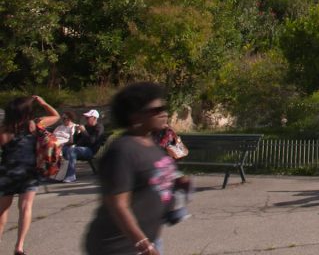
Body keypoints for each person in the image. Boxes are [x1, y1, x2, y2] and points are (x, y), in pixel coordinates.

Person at [84, 83, 186, 254]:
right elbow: (117, 205)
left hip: (148, 240)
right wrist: (143, 244)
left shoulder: (150, 145)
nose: (164, 113)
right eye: (156, 109)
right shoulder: (122, 151)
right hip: (118, 248)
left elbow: (153, 179)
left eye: (164, 108)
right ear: (136, 116)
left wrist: (178, 182)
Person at [0, 95, 59, 255]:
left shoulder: (4, 129)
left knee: (2, 209)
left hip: (7, 172)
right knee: (26, 208)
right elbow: (56, 116)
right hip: (29, 172)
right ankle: (19, 246)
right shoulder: (35, 124)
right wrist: (44, 103)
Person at [63, 108, 105, 183]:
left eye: (88, 117)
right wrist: (77, 132)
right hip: (79, 149)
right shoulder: (86, 126)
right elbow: (75, 141)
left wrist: (84, 131)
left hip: (90, 150)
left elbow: (92, 141)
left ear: (94, 118)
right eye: (86, 117)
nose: (86, 119)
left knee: (72, 150)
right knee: (63, 149)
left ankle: (70, 176)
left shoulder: (99, 127)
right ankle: (57, 174)